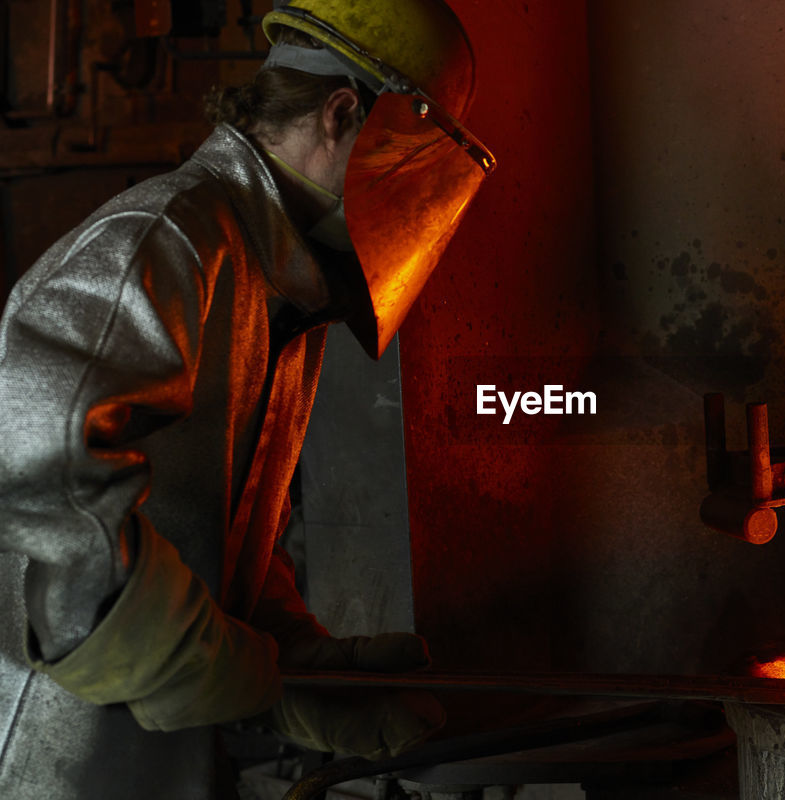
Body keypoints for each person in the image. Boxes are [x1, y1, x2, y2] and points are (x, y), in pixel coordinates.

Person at [0, 1, 496, 797]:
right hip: (42, 754)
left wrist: (293, 667)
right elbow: (35, 471)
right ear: (342, 115)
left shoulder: (274, 282)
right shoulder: (163, 239)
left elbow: (207, 527)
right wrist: (209, 662)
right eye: (408, 160)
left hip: (151, 760)